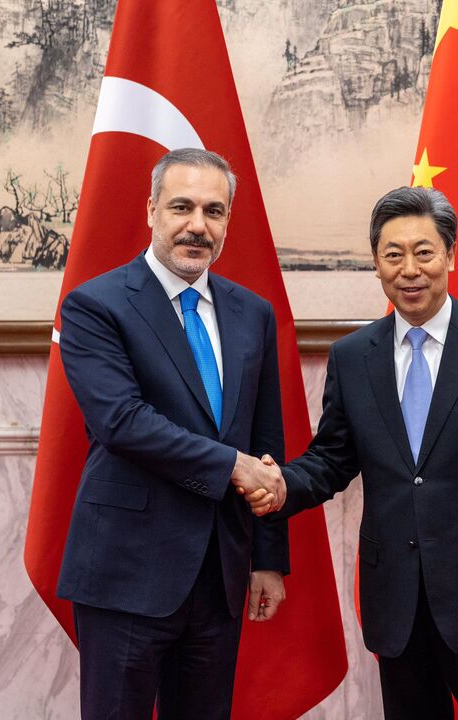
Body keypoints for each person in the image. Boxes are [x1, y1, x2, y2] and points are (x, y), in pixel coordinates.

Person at [262, 186, 458, 719]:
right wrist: (280, 484)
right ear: (376, 263)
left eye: (424, 252)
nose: (410, 270)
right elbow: (332, 458)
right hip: (395, 596)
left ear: (450, 255)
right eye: (393, 254)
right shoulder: (353, 356)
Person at [54, 148, 288, 720]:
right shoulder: (95, 305)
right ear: (152, 210)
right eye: (182, 207)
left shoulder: (253, 313)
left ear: (228, 221)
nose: (197, 226)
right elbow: (122, 421)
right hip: (127, 570)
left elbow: (265, 439)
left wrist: (268, 557)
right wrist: (232, 466)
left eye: (214, 211)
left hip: (220, 573)